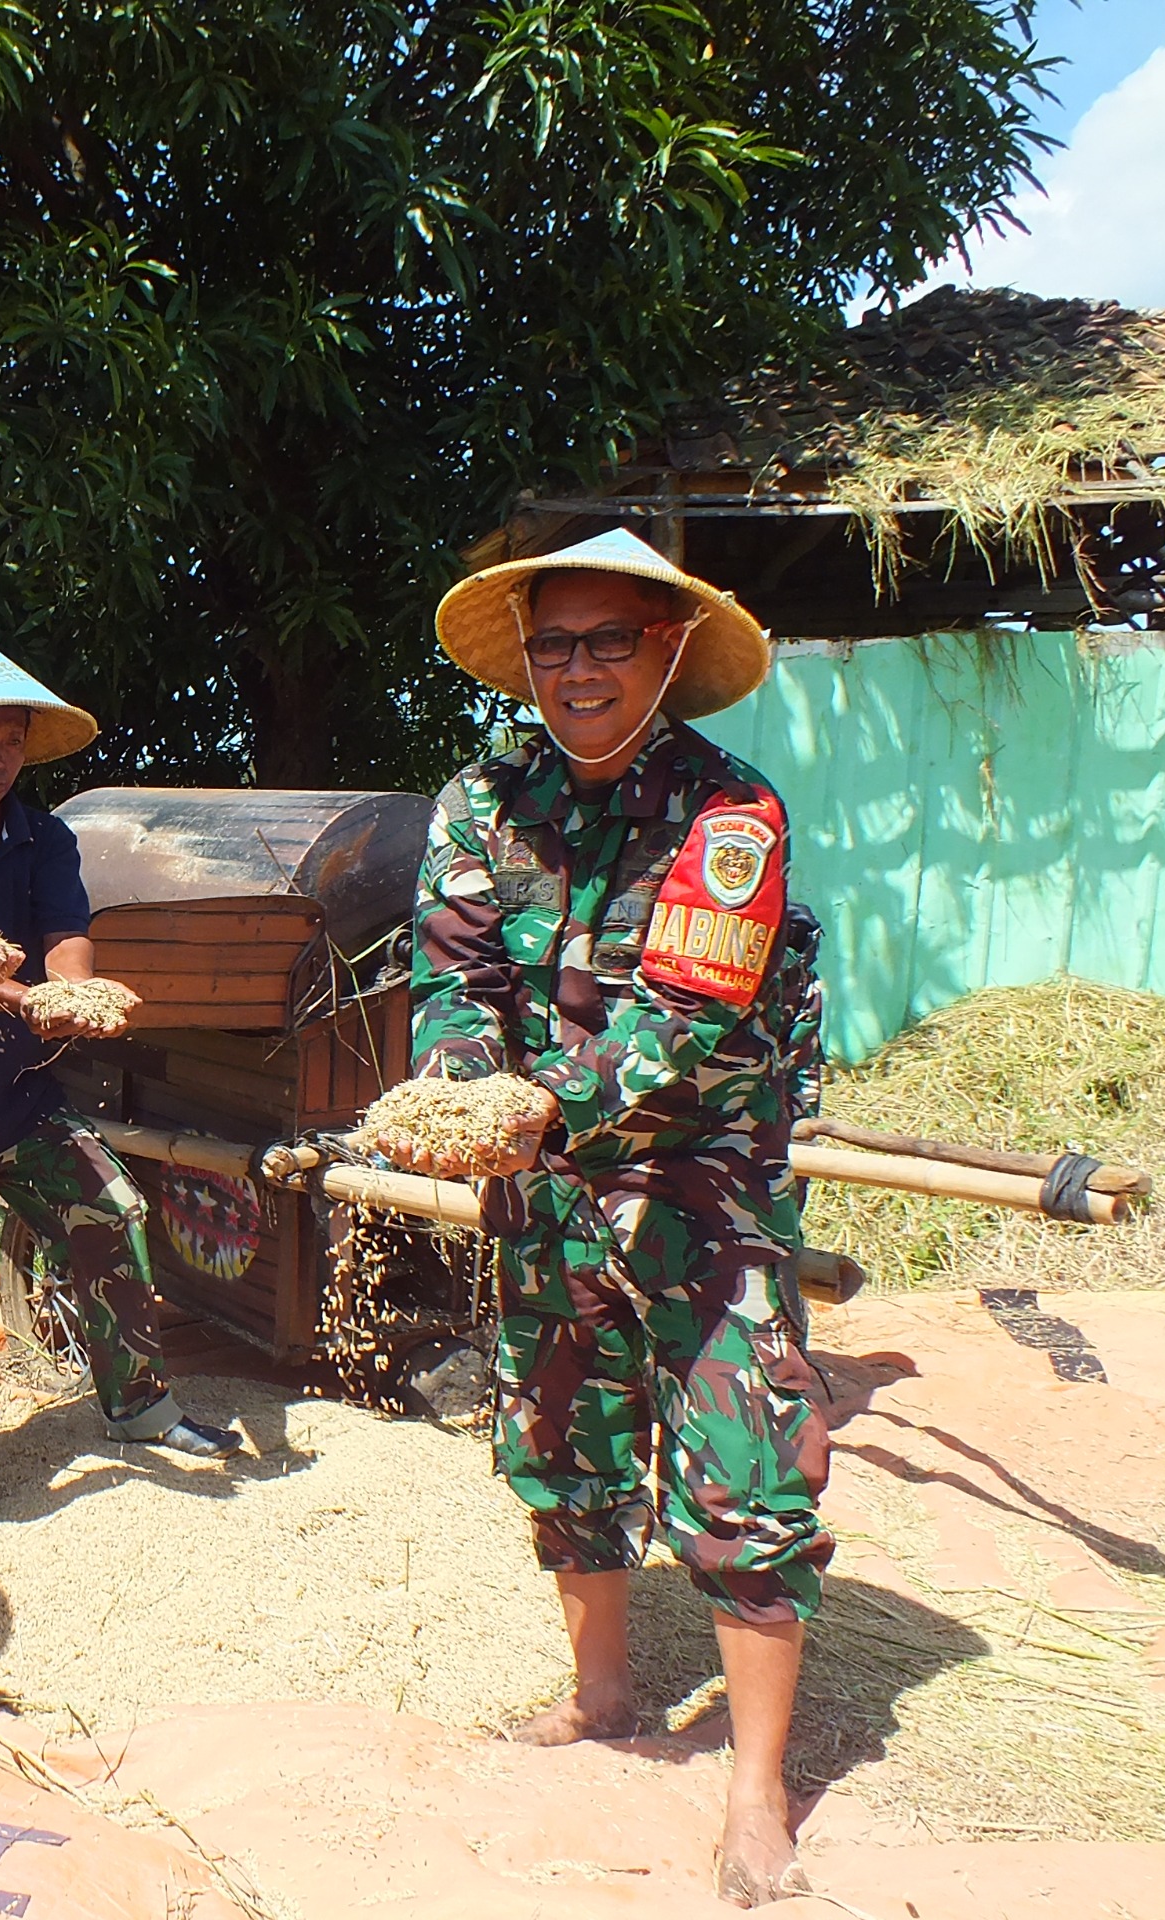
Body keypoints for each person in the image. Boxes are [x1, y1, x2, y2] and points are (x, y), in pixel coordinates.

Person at [384, 527, 830, 1908]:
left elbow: (683, 1026)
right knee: (560, 1429)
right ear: (526, 660)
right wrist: (465, 1095)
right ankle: (603, 1695)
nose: (580, 668)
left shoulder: (729, 813)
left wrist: (539, 1109)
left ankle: (756, 1790)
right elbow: (455, 987)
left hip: (702, 1178)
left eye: (610, 639)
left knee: (745, 1456)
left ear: (670, 648)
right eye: (555, 643)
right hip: (541, 1179)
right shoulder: (480, 799)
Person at [0, 645, 244, 1543]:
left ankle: (137, 1405)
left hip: (20, 1094)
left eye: (11, 739)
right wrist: (39, 1002)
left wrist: (80, 991)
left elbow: (67, 932)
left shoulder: (45, 837)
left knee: (111, 1209)